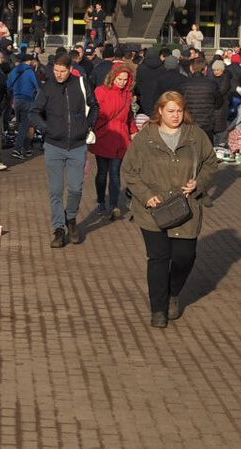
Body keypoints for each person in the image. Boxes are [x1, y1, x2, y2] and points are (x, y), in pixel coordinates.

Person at [122, 91, 217, 329]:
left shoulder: (196, 136)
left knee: (185, 256)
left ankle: (173, 291)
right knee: (158, 258)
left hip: (186, 207)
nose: (176, 116)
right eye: (171, 111)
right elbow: (129, 171)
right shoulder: (146, 138)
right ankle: (158, 309)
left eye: (180, 111)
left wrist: (199, 183)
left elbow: (210, 163)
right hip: (153, 209)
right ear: (160, 112)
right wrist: (146, 196)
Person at [30, 54, 99, 248]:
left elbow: (94, 106)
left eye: (62, 71)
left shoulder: (81, 84)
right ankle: (59, 229)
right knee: (56, 191)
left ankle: (71, 219)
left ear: (70, 69)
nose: (59, 74)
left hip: (77, 145)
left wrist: (87, 126)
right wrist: (46, 128)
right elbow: (34, 112)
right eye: (56, 71)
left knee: (76, 188)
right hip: (54, 146)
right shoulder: (48, 87)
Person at [91, 63, 138, 219]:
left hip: (120, 137)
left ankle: (113, 205)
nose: (122, 82)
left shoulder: (127, 95)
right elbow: (96, 114)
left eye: (125, 79)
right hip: (104, 135)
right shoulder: (101, 92)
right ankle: (100, 201)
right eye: (120, 79)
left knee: (115, 172)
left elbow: (129, 116)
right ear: (113, 77)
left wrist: (133, 131)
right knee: (102, 173)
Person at [8, 53, 40, 159]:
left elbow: (8, 85)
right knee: (24, 126)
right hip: (28, 100)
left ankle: (27, 149)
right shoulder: (30, 72)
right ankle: (17, 149)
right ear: (30, 61)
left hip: (16, 100)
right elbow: (38, 87)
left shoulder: (14, 70)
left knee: (22, 124)